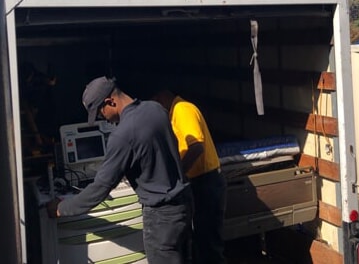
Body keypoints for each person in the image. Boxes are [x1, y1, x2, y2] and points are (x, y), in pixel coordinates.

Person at [46, 76, 193, 264]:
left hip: (161, 216)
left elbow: (100, 188)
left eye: (100, 113)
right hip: (184, 203)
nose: (102, 118)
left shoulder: (123, 134)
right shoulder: (156, 109)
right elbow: (162, 150)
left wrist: (61, 208)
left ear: (111, 101)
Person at [152, 90, 227, 264]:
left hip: (207, 182)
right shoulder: (172, 115)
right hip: (198, 182)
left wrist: (178, 175)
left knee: (209, 242)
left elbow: (196, 147)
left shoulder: (182, 109)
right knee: (199, 239)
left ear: (161, 96)